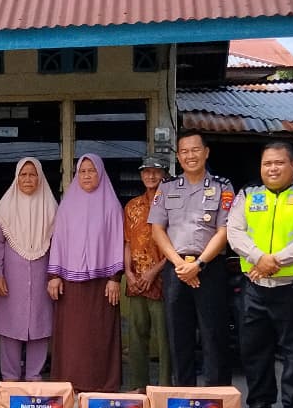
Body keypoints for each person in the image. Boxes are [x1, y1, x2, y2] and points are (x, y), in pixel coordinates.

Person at [227, 142, 293, 408]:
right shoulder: (248, 194)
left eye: (279, 163)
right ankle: (260, 403)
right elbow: (234, 231)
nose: (272, 168)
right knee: (254, 349)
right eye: (267, 163)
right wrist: (258, 257)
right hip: (255, 286)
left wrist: (275, 261)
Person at [149, 130, 233, 386]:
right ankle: (183, 395)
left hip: (210, 267)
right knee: (178, 335)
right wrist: (180, 265)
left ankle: (215, 396)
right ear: (178, 156)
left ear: (206, 152)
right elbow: (157, 230)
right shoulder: (167, 187)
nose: (190, 156)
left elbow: (224, 231)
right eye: (184, 151)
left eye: (195, 150)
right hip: (176, 269)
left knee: (213, 333)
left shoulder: (222, 186)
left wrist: (198, 264)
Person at [48, 154, 123, 393]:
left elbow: (117, 241)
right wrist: (54, 275)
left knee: (98, 334)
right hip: (70, 284)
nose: (87, 175)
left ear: (100, 173)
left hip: (102, 284)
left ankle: (101, 383)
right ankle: (69, 382)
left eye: (92, 171)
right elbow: (58, 241)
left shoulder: (111, 205)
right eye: (82, 171)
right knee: (72, 336)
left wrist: (115, 278)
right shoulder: (67, 205)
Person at [0, 157, 57, 382]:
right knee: (10, 323)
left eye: (32, 174)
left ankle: (34, 374)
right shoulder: (4, 208)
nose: (28, 179)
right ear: (16, 178)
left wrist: (54, 275)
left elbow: (57, 246)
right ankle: (10, 375)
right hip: (11, 276)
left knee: (40, 323)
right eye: (23, 175)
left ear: (40, 178)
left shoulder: (51, 208)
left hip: (42, 274)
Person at [122, 155, 172, 391]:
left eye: (156, 171)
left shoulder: (172, 204)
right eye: (146, 172)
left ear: (164, 174)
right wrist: (128, 273)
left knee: (164, 337)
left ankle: (164, 386)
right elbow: (127, 242)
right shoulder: (132, 206)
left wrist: (154, 271)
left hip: (162, 278)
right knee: (136, 336)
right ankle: (138, 385)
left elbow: (177, 245)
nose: (151, 176)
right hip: (136, 281)